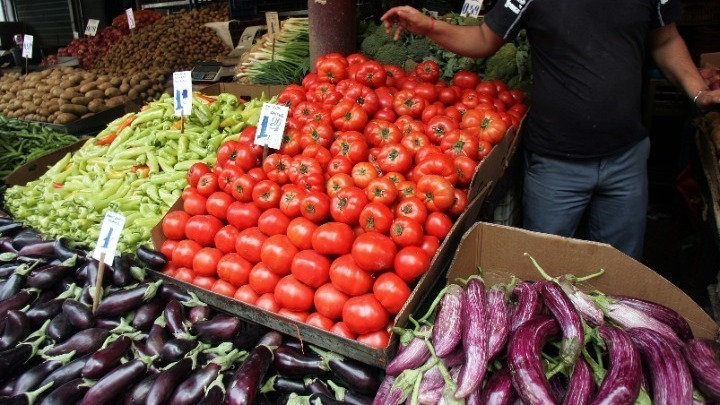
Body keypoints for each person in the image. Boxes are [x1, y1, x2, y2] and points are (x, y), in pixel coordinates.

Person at [382, 2, 720, 260]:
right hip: (556, 164)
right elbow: (484, 38)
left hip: (626, 159)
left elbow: (666, 39)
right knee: (546, 275)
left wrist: (697, 92)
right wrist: (427, 25)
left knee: (621, 275)